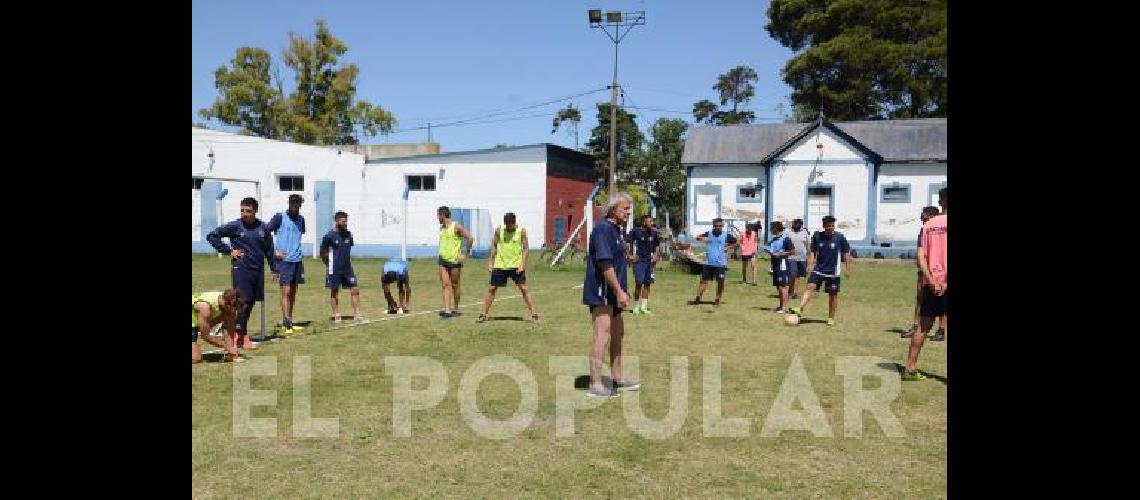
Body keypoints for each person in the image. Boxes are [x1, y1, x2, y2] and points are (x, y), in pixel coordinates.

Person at [584, 193, 641, 398]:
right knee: (603, 335)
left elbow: (617, 258)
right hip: (602, 291)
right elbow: (605, 263)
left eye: (629, 209)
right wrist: (619, 291)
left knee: (618, 334)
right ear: (612, 209)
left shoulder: (617, 230)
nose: (628, 212)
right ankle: (595, 384)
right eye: (625, 208)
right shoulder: (602, 229)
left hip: (614, 292)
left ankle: (617, 380)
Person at [206, 196, 275, 351]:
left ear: (255, 211)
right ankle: (240, 335)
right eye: (242, 210)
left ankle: (237, 332)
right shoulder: (235, 226)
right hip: (242, 269)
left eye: (248, 211)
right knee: (241, 303)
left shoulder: (263, 228)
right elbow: (212, 236)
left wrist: (274, 268)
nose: (245, 214)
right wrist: (228, 251)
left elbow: (269, 249)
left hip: (257, 270)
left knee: (250, 302)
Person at [903, 187, 947, 381]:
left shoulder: (928, 225)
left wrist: (930, 280)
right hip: (943, 282)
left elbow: (921, 256)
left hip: (932, 283)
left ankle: (910, 368)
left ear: (941, 202)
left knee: (922, 326)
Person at [788, 215, 853, 326]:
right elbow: (813, 251)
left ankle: (831, 318)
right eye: (828, 226)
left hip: (833, 272)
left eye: (832, 226)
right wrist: (810, 264)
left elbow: (846, 253)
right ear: (824, 226)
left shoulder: (839, 237)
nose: (830, 228)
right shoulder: (818, 236)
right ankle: (800, 308)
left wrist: (848, 268)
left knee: (833, 296)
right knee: (810, 287)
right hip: (818, 269)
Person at [478, 213, 540, 324]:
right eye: (506, 224)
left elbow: (526, 249)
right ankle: (483, 314)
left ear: (514, 223)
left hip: (516, 266)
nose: (508, 226)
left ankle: (534, 315)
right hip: (500, 265)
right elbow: (493, 245)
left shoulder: (521, 232)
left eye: (509, 224)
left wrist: (522, 265)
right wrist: (490, 262)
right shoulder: (499, 230)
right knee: (492, 289)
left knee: (524, 289)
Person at [903, 206, 947, 340]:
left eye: (923, 215)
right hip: (925, 270)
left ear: (931, 215)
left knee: (940, 301)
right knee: (920, 298)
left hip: (935, 272)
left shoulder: (935, 228)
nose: (921, 218)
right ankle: (916, 325)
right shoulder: (924, 229)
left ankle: (940, 329)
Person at [266, 194, 307, 336]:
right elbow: (265, 232)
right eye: (292, 203)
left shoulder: (301, 220)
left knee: (293, 292)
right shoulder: (279, 217)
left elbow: (297, 237)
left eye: (297, 204)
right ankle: (286, 322)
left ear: (300, 205)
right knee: (286, 291)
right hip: (283, 261)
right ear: (289, 203)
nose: (295, 206)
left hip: (297, 260)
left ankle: (290, 320)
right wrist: (273, 251)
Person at [320, 211, 364, 323]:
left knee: (355, 289)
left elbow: (348, 249)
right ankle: (337, 314)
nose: (345, 223)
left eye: (346, 221)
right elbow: (323, 253)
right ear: (337, 221)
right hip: (334, 269)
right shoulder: (329, 236)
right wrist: (329, 263)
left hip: (347, 268)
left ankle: (357, 314)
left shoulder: (348, 234)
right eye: (343, 221)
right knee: (334, 291)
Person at [689, 218, 737, 307]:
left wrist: (728, 247)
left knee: (720, 282)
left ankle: (718, 299)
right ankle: (698, 298)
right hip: (709, 263)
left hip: (720, 264)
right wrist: (704, 239)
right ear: (713, 226)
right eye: (716, 226)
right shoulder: (709, 234)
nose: (718, 227)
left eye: (720, 226)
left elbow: (736, 242)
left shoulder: (727, 235)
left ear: (722, 226)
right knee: (703, 281)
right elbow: (698, 237)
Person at [437, 206, 474, 319]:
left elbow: (470, 238)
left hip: (454, 262)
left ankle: (456, 308)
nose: (437, 217)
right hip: (443, 261)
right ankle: (447, 310)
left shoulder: (456, 226)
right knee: (445, 285)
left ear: (443, 215)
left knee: (455, 285)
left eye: (438, 215)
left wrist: (465, 254)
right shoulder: (441, 228)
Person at [192, 289, 244, 364]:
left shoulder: (227, 301)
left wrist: (231, 351)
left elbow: (229, 329)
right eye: (233, 309)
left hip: (198, 320)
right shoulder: (204, 307)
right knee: (195, 359)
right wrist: (227, 347)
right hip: (194, 322)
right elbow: (205, 336)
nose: (234, 312)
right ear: (226, 303)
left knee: (229, 316)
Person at [627, 214, 661, 314]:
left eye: (652, 221)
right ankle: (636, 307)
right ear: (644, 222)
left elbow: (657, 245)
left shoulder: (654, 233)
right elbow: (627, 243)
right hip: (639, 262)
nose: (652, 223)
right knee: (639, 284)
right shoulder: (636, 231)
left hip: (649, 263)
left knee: (647, 284)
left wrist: (655, 255)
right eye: (649, 221)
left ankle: (643, 307)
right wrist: (630, 255)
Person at [763, 221, 796, 313]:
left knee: (783, 286)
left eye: (771, 228)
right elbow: (773, 251)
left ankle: (784, 308)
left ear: (776, 228)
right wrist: (768, 251)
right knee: (778, 286)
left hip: (783, 265)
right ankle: (781, 306)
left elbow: (792, 251)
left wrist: (781, 254)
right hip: (775, 264)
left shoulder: (786, 239)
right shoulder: (773, 240)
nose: (770, 230)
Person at [786, 218, 811, 299]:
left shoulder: (805, 233)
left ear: (801, 225)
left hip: (802, 258)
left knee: (798, 276)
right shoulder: (788, 232)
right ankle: (790, 290)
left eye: (798, 224)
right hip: (791, 257)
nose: (796, 225)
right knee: (792, 274)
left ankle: (794, 292)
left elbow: (808, 245)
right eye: (795, 224)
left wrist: (809, 256)